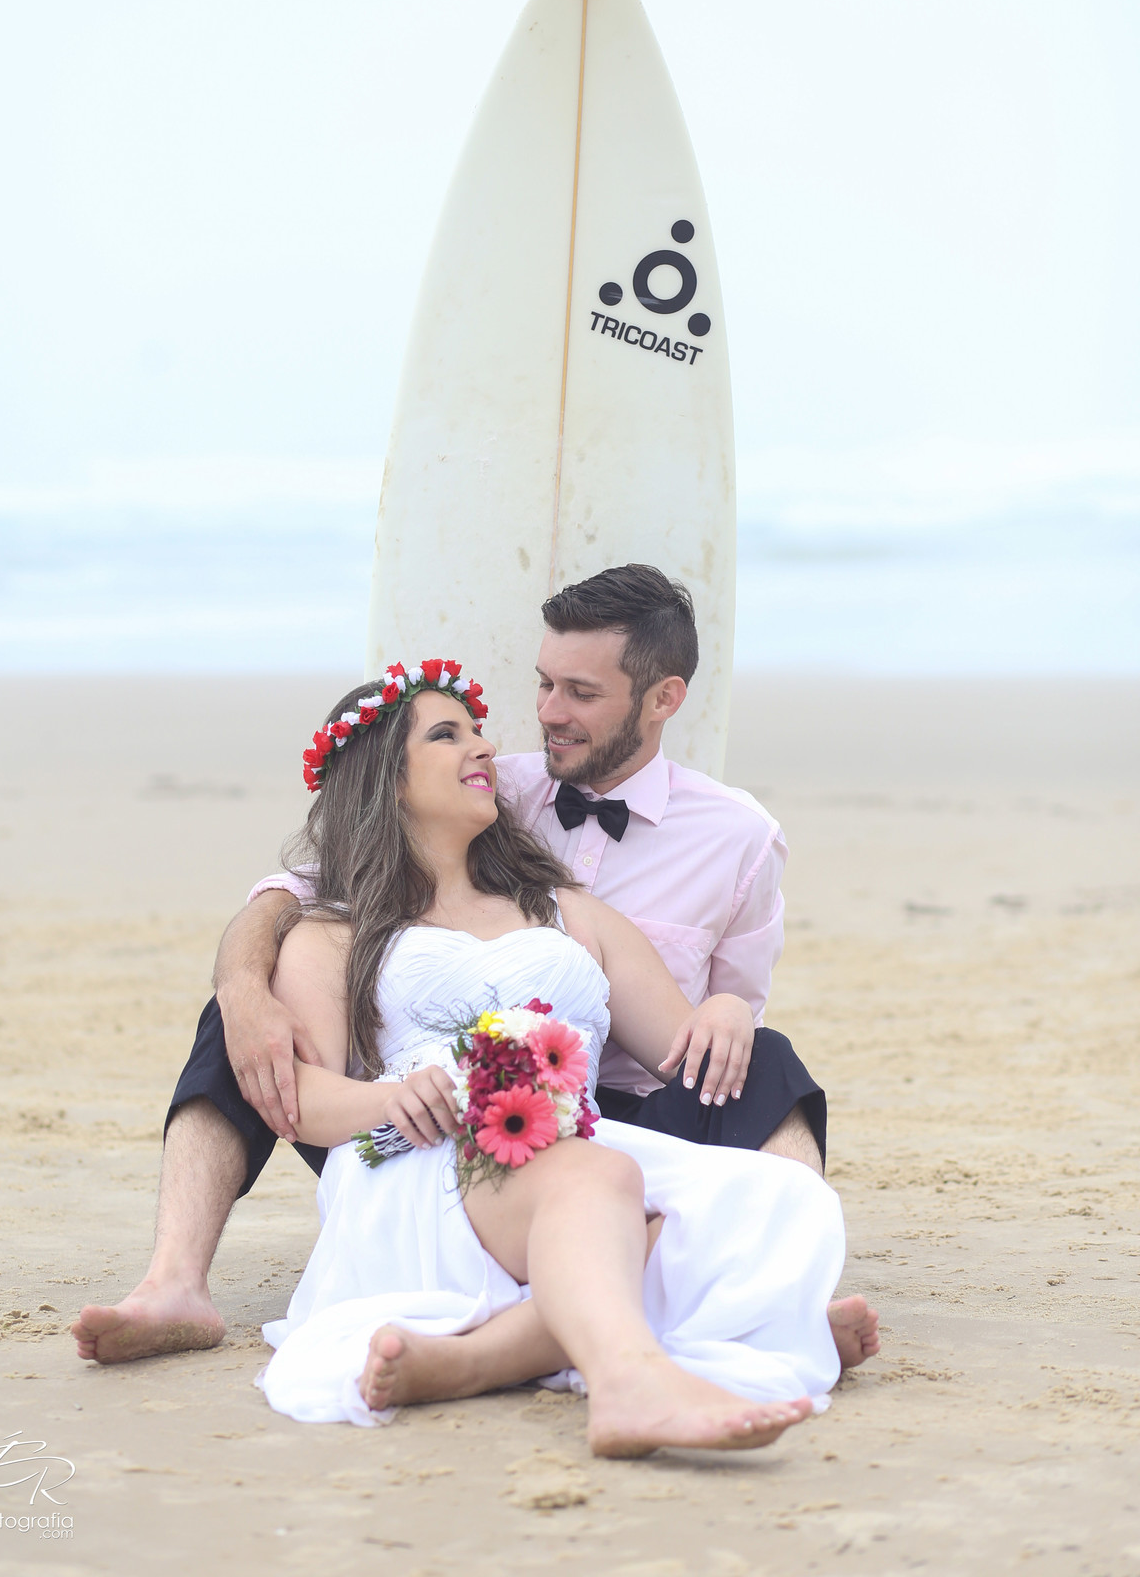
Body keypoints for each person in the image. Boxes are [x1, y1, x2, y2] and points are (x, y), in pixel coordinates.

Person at [73, 567, 878, 1374]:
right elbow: (298, 894)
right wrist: (244, 989)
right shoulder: (496, 788)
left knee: (765, 1058)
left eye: (581, 692)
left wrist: (732, 1010)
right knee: (240, 1016)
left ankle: (782, 1296)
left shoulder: (735, 838)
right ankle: (175, 1282)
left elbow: (706, 1039)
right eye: (544, 685)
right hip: (409, 1123)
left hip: (611, 1106)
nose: (545, 715)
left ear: (662, 698)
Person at [242, 664, 845, 1454]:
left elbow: (684, 1050)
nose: (484, 745)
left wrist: (731, 1009)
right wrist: (392, 1102)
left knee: (773, 1203)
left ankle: (470, 1362)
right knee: (608, 1188)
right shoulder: (331, 933)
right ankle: (632, 1386)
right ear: (385, 780)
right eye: (446, 733)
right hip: (422, 1156)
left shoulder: (572, 912)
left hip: (567, 1140)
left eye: (478, 729)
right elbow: (302, 1098)